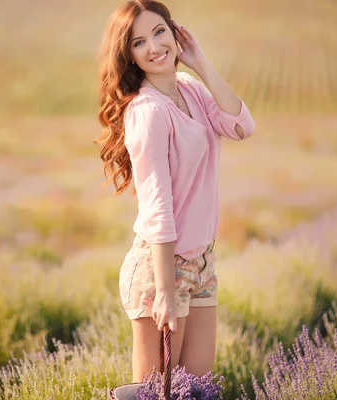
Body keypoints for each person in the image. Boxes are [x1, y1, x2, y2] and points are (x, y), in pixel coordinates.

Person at [95, 0, 255, 383]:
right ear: (128, 56)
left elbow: (242, 126)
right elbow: (157, 209)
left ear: (174, 32)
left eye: (159, 32)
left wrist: (200, 62)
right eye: (138, 42)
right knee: (157, 393)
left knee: (195, 390)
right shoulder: (147, 112)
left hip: (201, 263)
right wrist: (165, 291)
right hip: (160, 269)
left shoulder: (191, 89)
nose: (154, 47)